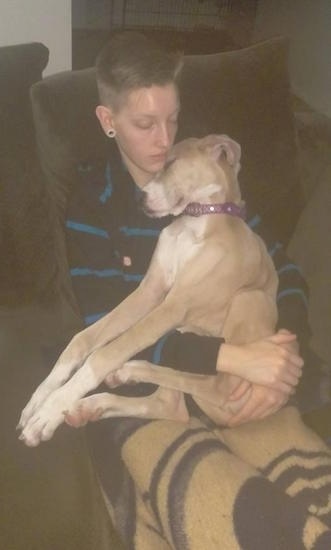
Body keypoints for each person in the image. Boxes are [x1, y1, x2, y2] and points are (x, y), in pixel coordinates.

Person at [65, 32, 331, 549]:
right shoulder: (92, 205)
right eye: (145, 124)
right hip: (155, 391)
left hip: (249, 384)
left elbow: (284, 269)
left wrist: (284, 348)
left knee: (313, 484)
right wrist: (230, 357)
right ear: (108, 121)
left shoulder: (207, 183)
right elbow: (110, 327)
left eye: (173, 119)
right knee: (224, 511)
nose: (164, 140)